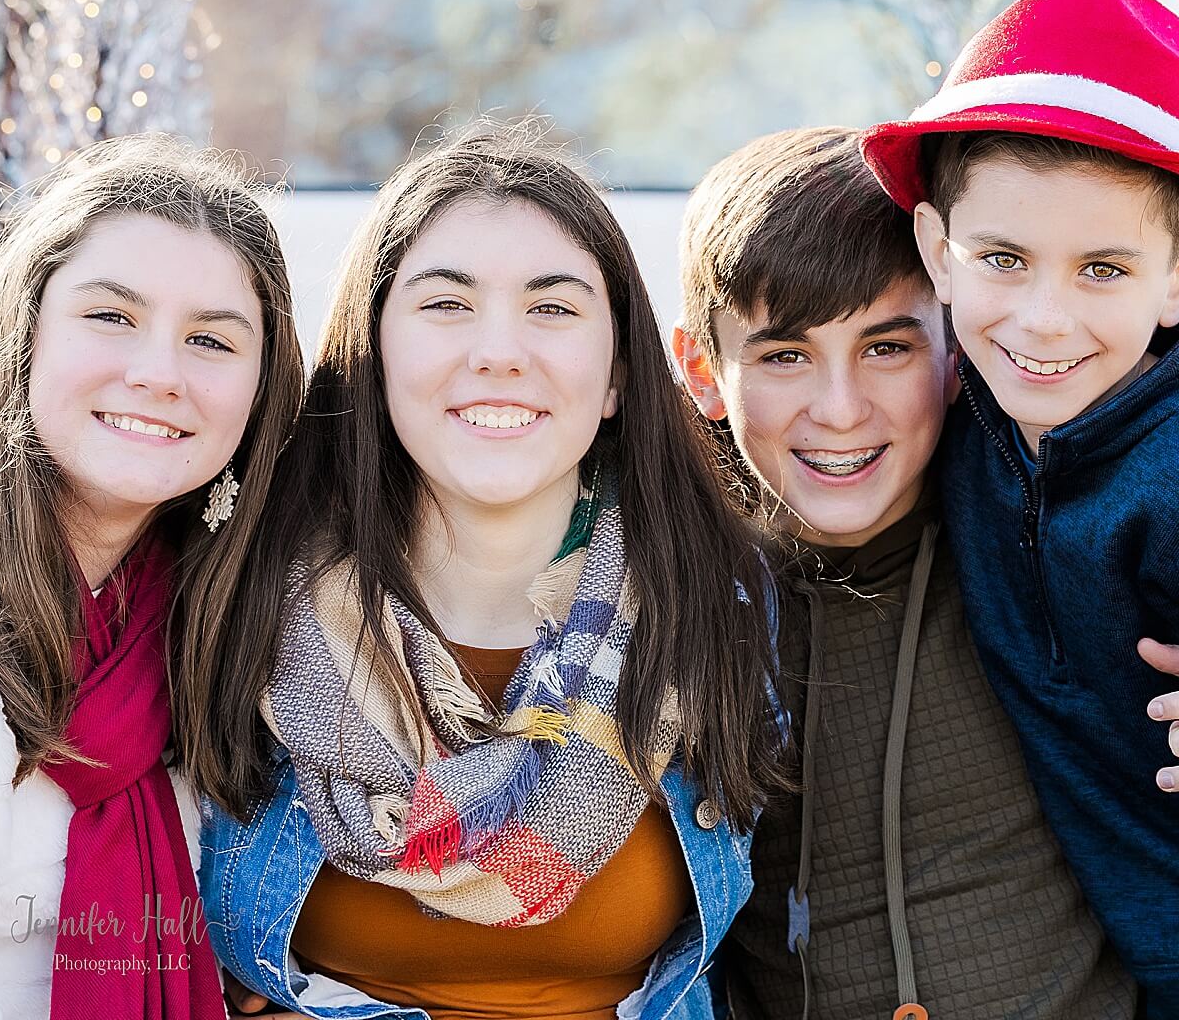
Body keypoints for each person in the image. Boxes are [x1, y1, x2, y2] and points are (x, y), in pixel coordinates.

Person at [190, 123, 787, 1020]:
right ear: (373, 350)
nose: (499, 352)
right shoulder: (236, 598)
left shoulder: (723, 605)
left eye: (553, 308)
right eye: (445, 304)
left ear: (620, 373)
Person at [671, 126, 1179, 1020]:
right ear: (702, 372)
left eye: (889, 348)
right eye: (786, 356)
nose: (840, 411)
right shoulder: (667, 605)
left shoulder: (1053, 562)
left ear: (955, 355)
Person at [861, 0, 1179, 1017]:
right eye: (1002, 257)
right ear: (937, 249)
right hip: (1087, 961)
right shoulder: (953, 416)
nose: (1042, 321)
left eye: (1100, 269)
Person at [0, 134, 304, 1020]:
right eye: (111, 317)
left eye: (210, 340)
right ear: (23, 334)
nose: (158, 373)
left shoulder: (222, 632)